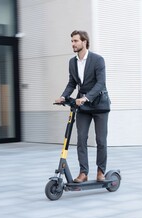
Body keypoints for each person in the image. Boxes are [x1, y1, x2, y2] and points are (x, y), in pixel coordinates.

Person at [55, 30, 109, 183]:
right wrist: (63, 96)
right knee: (81, 139)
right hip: (83, 107)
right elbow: (72, 83)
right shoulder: (72, 62)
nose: (73, 44)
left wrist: (86, 97)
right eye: (72, 41)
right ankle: (83, 173)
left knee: (101, 140)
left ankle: (101, 171)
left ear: (84, 42)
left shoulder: (98, 60)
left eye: (75, 41)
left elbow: (100, 83)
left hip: (100, 105)